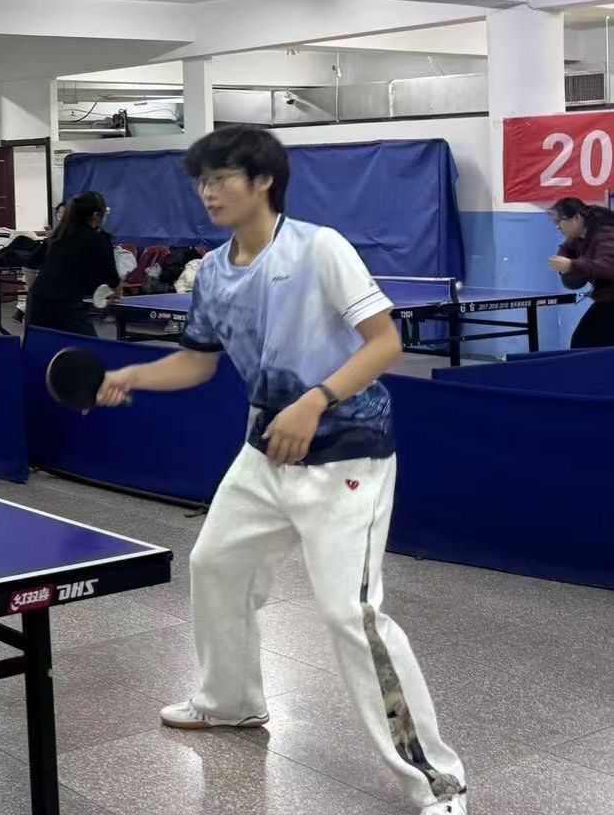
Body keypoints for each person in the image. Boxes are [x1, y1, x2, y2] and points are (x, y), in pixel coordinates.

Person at [94, 126, 466, 815]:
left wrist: (316, 399)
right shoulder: (212, 271)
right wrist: (134, 376)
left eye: (221, 179)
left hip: (347, 455)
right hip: (264, 451)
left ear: (263, 181)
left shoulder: (319, 247)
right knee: (216, 566)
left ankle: (436, 779)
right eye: (201, 181)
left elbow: (385, 341)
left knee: (350, 613)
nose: (208, 193)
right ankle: (230, 701)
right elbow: (198, 362)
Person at [24, 191, 121, 336]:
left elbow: (29, 265)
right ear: (96, 215)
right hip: (68, 306)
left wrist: (35, 292)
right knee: (87, 348)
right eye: (105, 212)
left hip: (37, 303)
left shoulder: (58, 235)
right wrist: (116, 290)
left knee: (39, 348)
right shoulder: (99, 239)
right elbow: (112, 280)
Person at [548, 196, 614, 347]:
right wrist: (565, 258)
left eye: (560, 221)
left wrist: (572, 265)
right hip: (607, 300)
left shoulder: (605, 234)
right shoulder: (579, 237)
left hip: (610, 301)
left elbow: (608, 268)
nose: (558, 227)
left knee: (582, 343)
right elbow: (566, 249)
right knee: (582, 342)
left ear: (576, 218)